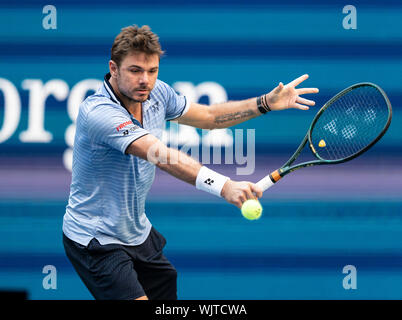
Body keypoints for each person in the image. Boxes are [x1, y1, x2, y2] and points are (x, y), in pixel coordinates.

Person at [62, 25, 319, 300]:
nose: (145, 80)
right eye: (135, 70)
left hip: (137, 233)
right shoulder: (99, 112)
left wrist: (265, 102)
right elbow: (159, 155)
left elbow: (208, 116)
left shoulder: (156, 93)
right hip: (96, 239)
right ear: (113, 68)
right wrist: (224, 186)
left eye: (152, 71)